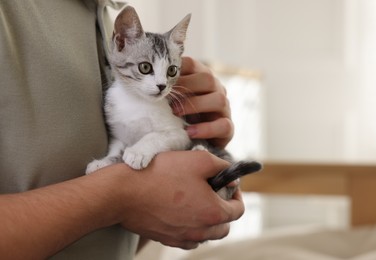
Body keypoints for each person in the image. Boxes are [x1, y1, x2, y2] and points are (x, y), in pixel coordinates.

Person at [0, 1, 243, 259]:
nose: (162, 84)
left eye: (171, 71)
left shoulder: (105, 11)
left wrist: (184, 179)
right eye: (147, 68)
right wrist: (122, 195)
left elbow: (122, 236)